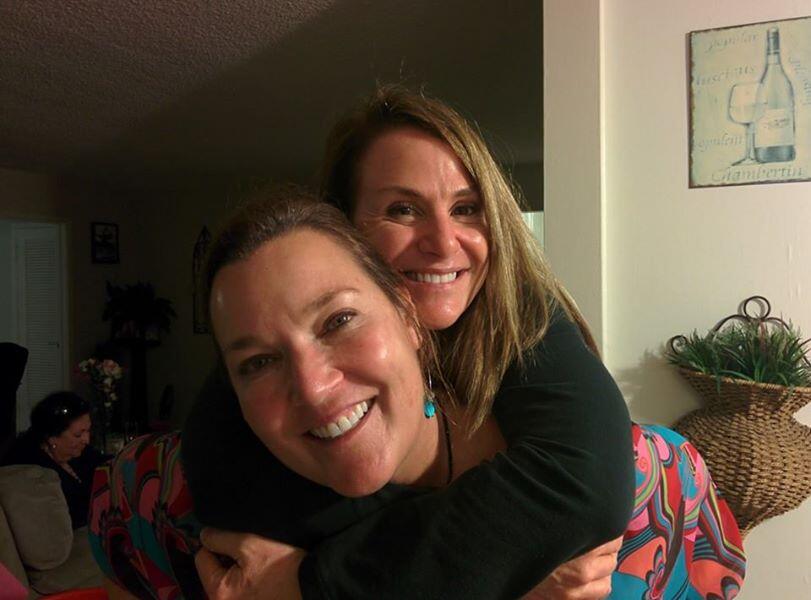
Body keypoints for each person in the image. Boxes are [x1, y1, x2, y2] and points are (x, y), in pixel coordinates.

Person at [91, 86, 746, 599]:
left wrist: (312, 586)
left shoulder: (519, 309)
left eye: (466, 208)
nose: (442, 242)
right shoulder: (207, 450)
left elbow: (585, 485)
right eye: (401, 210)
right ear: (340, 228)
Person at [2, 391, 108, 529]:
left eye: (88, 431)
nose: (86, 440)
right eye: (78, 434)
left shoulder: (78, 452)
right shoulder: (32, 469)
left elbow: (105, 463)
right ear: (52, 437)